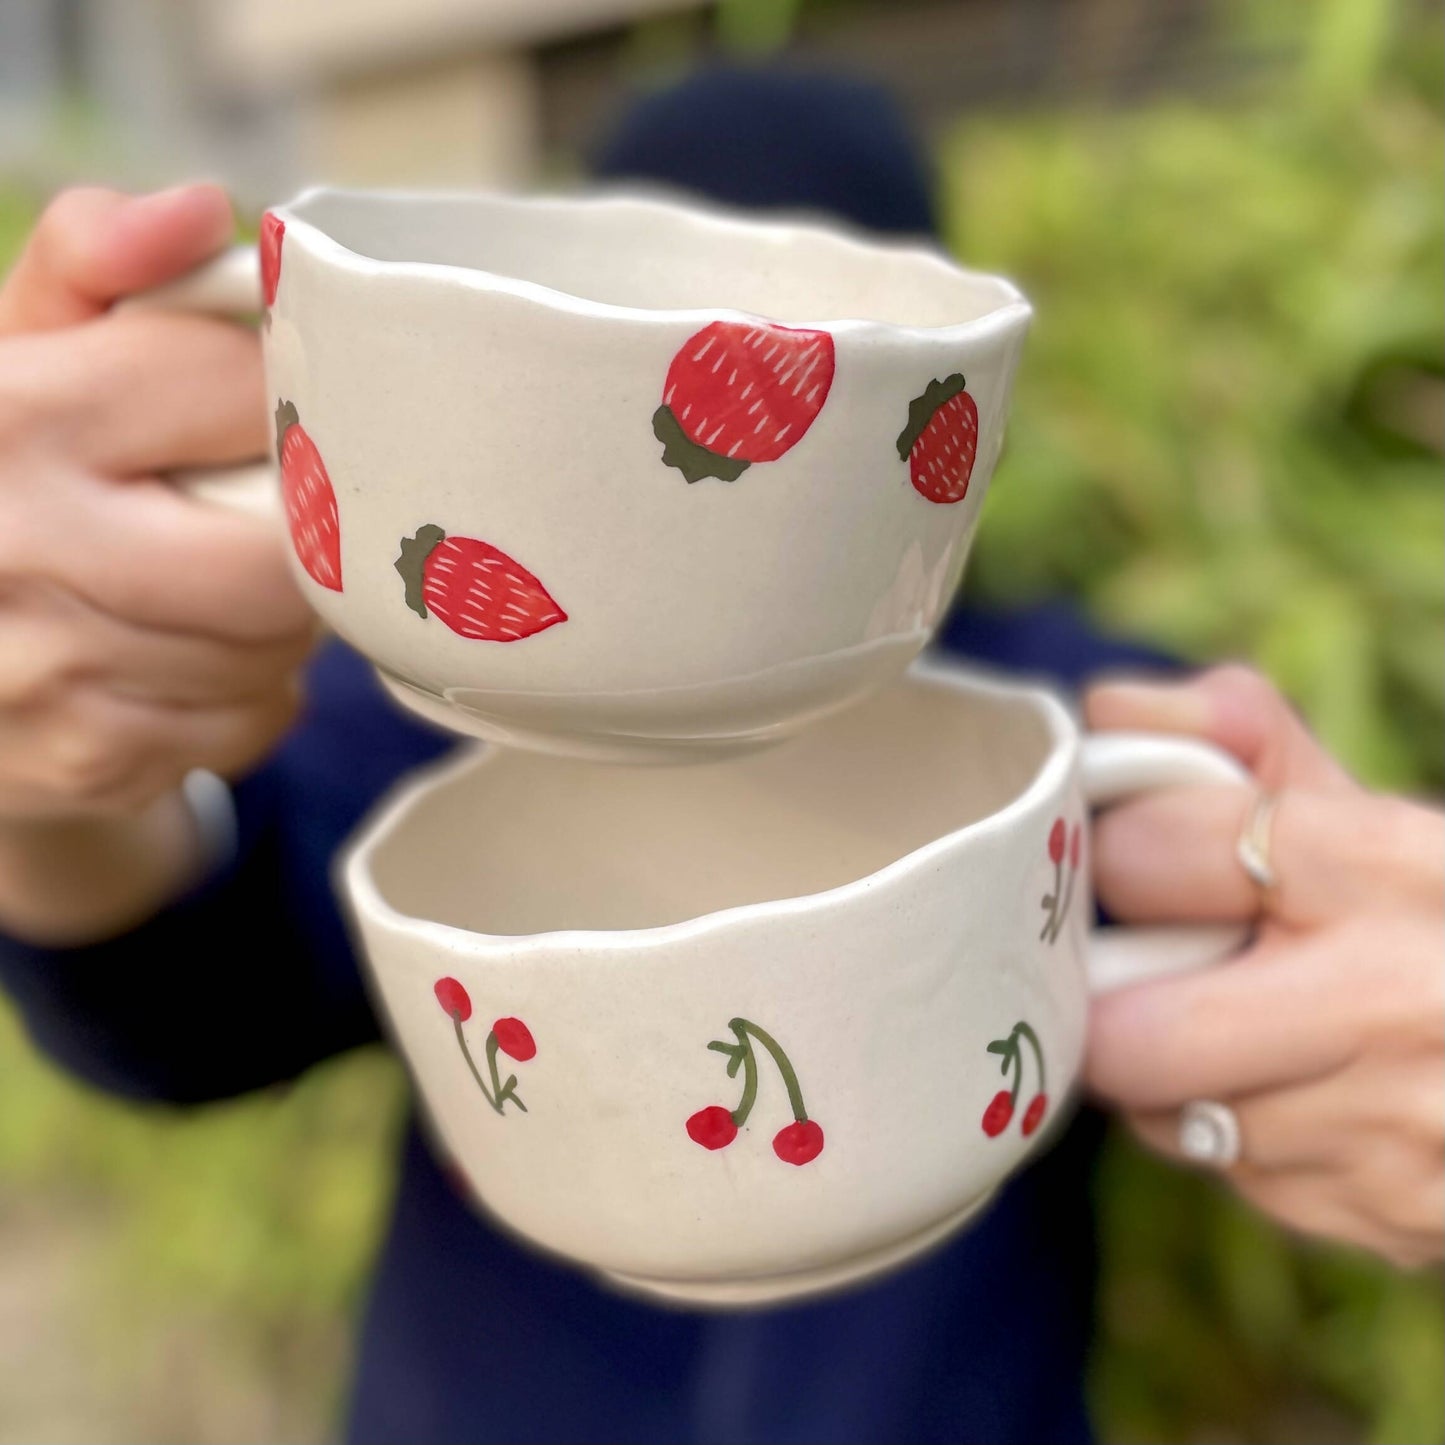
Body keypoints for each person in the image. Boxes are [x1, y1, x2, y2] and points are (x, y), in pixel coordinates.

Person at [0, 70, 1438, 1445]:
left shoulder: (1063, 711)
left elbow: (1271, 932)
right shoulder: (438, 705)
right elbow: (184, 985)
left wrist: (1319, 1006)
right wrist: (54, 776)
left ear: (934, 412)